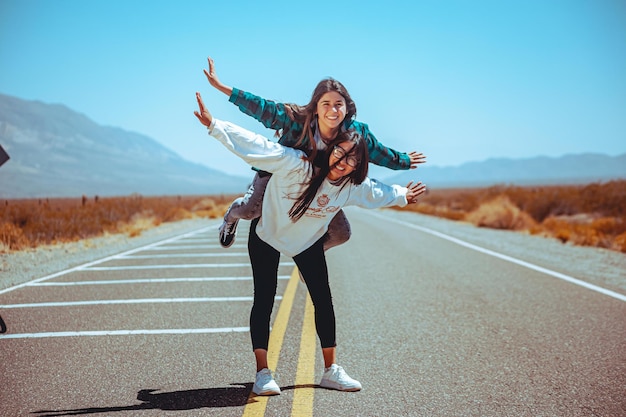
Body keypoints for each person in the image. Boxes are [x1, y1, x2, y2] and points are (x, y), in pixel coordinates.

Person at [194, 92, 427, 396]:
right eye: (339, 153)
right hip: (267, 232)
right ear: (330, 150)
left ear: (358, 164)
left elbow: (377, 193)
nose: (342, 162)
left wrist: (402, 195)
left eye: (351, 159)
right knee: (264, 297)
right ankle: (263, 373)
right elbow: (257, 146)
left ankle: (331, 370)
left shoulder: (350, 188)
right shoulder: (297, 163)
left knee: (323, 298)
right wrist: (215, 125)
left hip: (307, 242)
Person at [203, 57, 426, 249]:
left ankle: (313, 256)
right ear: (316, 106)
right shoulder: (298, 120)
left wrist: (404, 161)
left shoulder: (355, 133)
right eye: (326, 104)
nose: (332, 110)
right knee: (251, 210)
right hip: (281, 173)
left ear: (347, 107)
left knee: (341, 234)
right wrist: (223, 88)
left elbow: (378, 153)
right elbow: (262, 107)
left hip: (318, 184)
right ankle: (230, 217)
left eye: (338, 104)